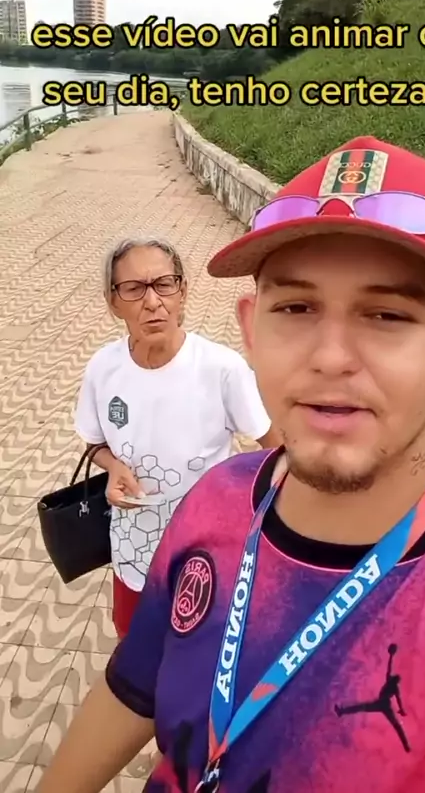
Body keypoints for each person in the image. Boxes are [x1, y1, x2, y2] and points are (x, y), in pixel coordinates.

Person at [38, 137, 425, 793]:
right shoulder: (217, 498)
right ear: (251, 328)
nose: (330, 357)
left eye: (388, 314)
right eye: (295, 308)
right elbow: (135, 685)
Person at [74, 236, 276, 639]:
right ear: (113, 302)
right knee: (135, 646)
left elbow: (274, 447)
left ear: (182, 291)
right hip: (133, 550)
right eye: (134, 289)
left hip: (206, 555)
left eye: (164, 284)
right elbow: (94, 442)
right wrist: (113, 467)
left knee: (196, 653)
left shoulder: (222, 368)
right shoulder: (103, 368)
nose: (152, 302)